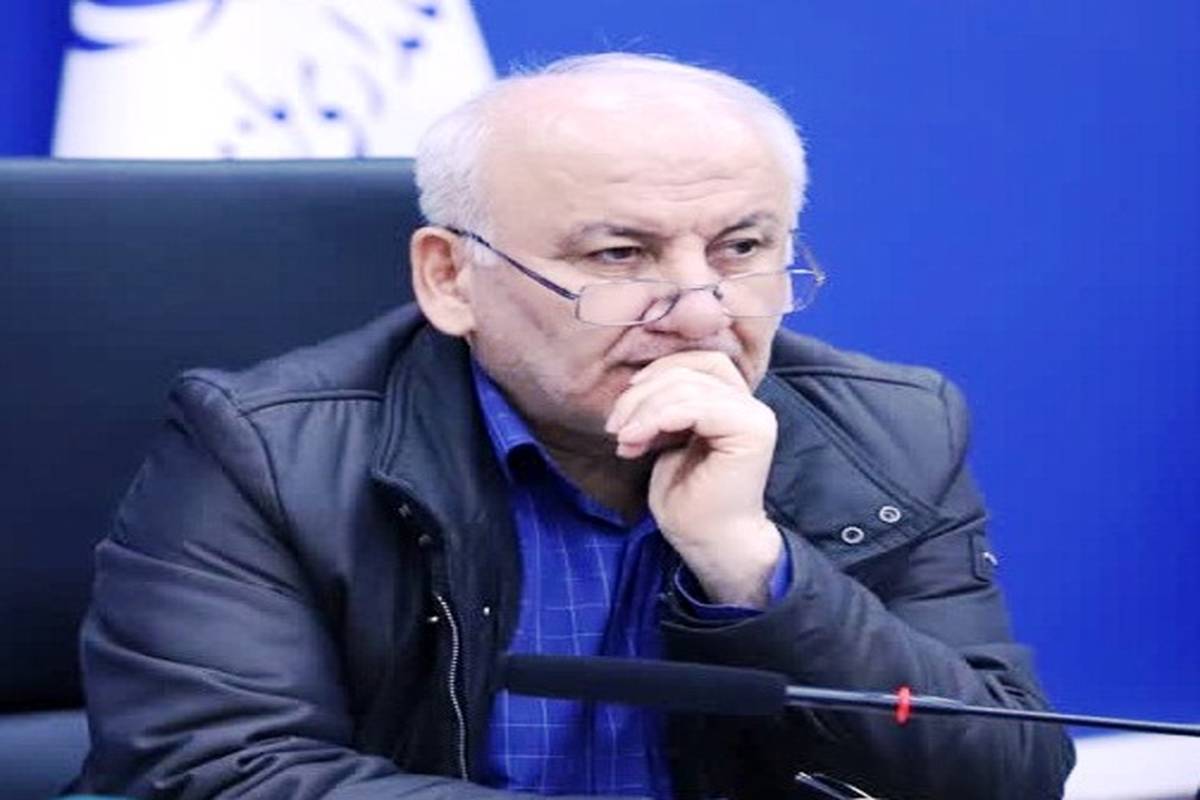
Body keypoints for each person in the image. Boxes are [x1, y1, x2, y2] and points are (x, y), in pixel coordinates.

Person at [72, 53, 1074, 799]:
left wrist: (752, 566)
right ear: (450, 278)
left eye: (741, 247)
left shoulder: (892, 429)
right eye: (619, 255)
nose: (700, 311)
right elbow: (215, 772)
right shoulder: (266, 448)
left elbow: (1003, 775)